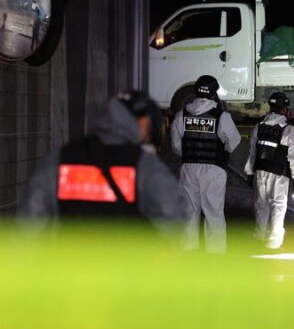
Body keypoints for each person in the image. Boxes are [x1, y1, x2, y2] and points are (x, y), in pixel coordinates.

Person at [19, 91, 189, 232]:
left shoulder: (61, 157)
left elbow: (29, 222)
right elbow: (173, 219)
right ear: (144, 122)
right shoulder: (144, 165)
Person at [171, 75, 241, 254]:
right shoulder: (222, 116)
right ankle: (215, 253)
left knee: (189, 211)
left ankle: (188, 249)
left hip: (188, 168)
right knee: (214, 212)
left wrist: (190, 155)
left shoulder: (182, 115)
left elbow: (176, 146)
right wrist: (222, 150)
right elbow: (233, 142)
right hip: (214, 169)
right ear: (214, 92)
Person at [244, 92, 294, 249]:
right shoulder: (288, 129)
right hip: (279, 173)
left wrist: (249, 173)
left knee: (261, 205)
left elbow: (253, 152)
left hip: (260, 171)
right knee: (278, 206)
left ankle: (259, 236)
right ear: (284, 109)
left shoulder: (259, 127)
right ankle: (274, 243)